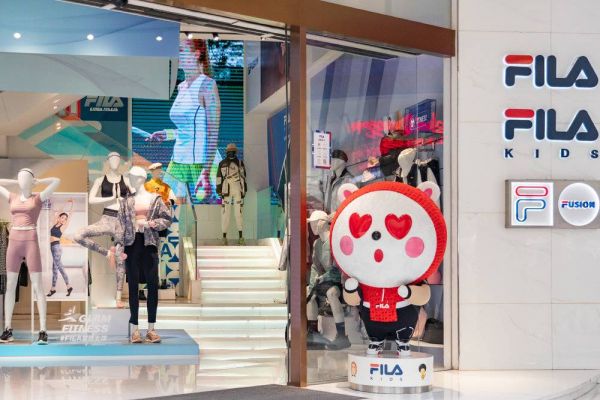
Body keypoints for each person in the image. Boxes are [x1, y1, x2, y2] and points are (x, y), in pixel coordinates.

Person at [146, 39, 221, 203]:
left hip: (201, 162)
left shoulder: (207, 85)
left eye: (181, 50)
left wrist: (206, 171)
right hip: (179, 159)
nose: (176, 55)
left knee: (206, 210)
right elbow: (188, 128)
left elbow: (212, 133)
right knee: (170, 206)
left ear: (196, 54)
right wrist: (166, 134)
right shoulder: (182, 87)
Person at [216, 143, 247, 245]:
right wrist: (219, 190)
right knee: (225, 213)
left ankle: (241, 237)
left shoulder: (240, 163)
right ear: (226, 152)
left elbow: (244, 177)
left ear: (235, 152)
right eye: (229, 151)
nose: (231, 153)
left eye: (233, 151)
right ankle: (224, 237)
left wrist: (244, 190)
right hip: (226, 189)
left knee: (239, 213)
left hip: (237, 189)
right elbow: (219, 178)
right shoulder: (222, 163)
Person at [47, 200, 74, 297]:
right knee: (55, 268)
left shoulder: (63, 227)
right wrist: (66, 202)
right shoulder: (55, 223)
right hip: (52, 247)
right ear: (59, 218)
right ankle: (54, 288)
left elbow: (71, 215)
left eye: (65, 219)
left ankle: (67, 286)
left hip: (57, 248)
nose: (63, 219)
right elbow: (59, 211)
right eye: (62, 217)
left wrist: (72, 204)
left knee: (59, 268)